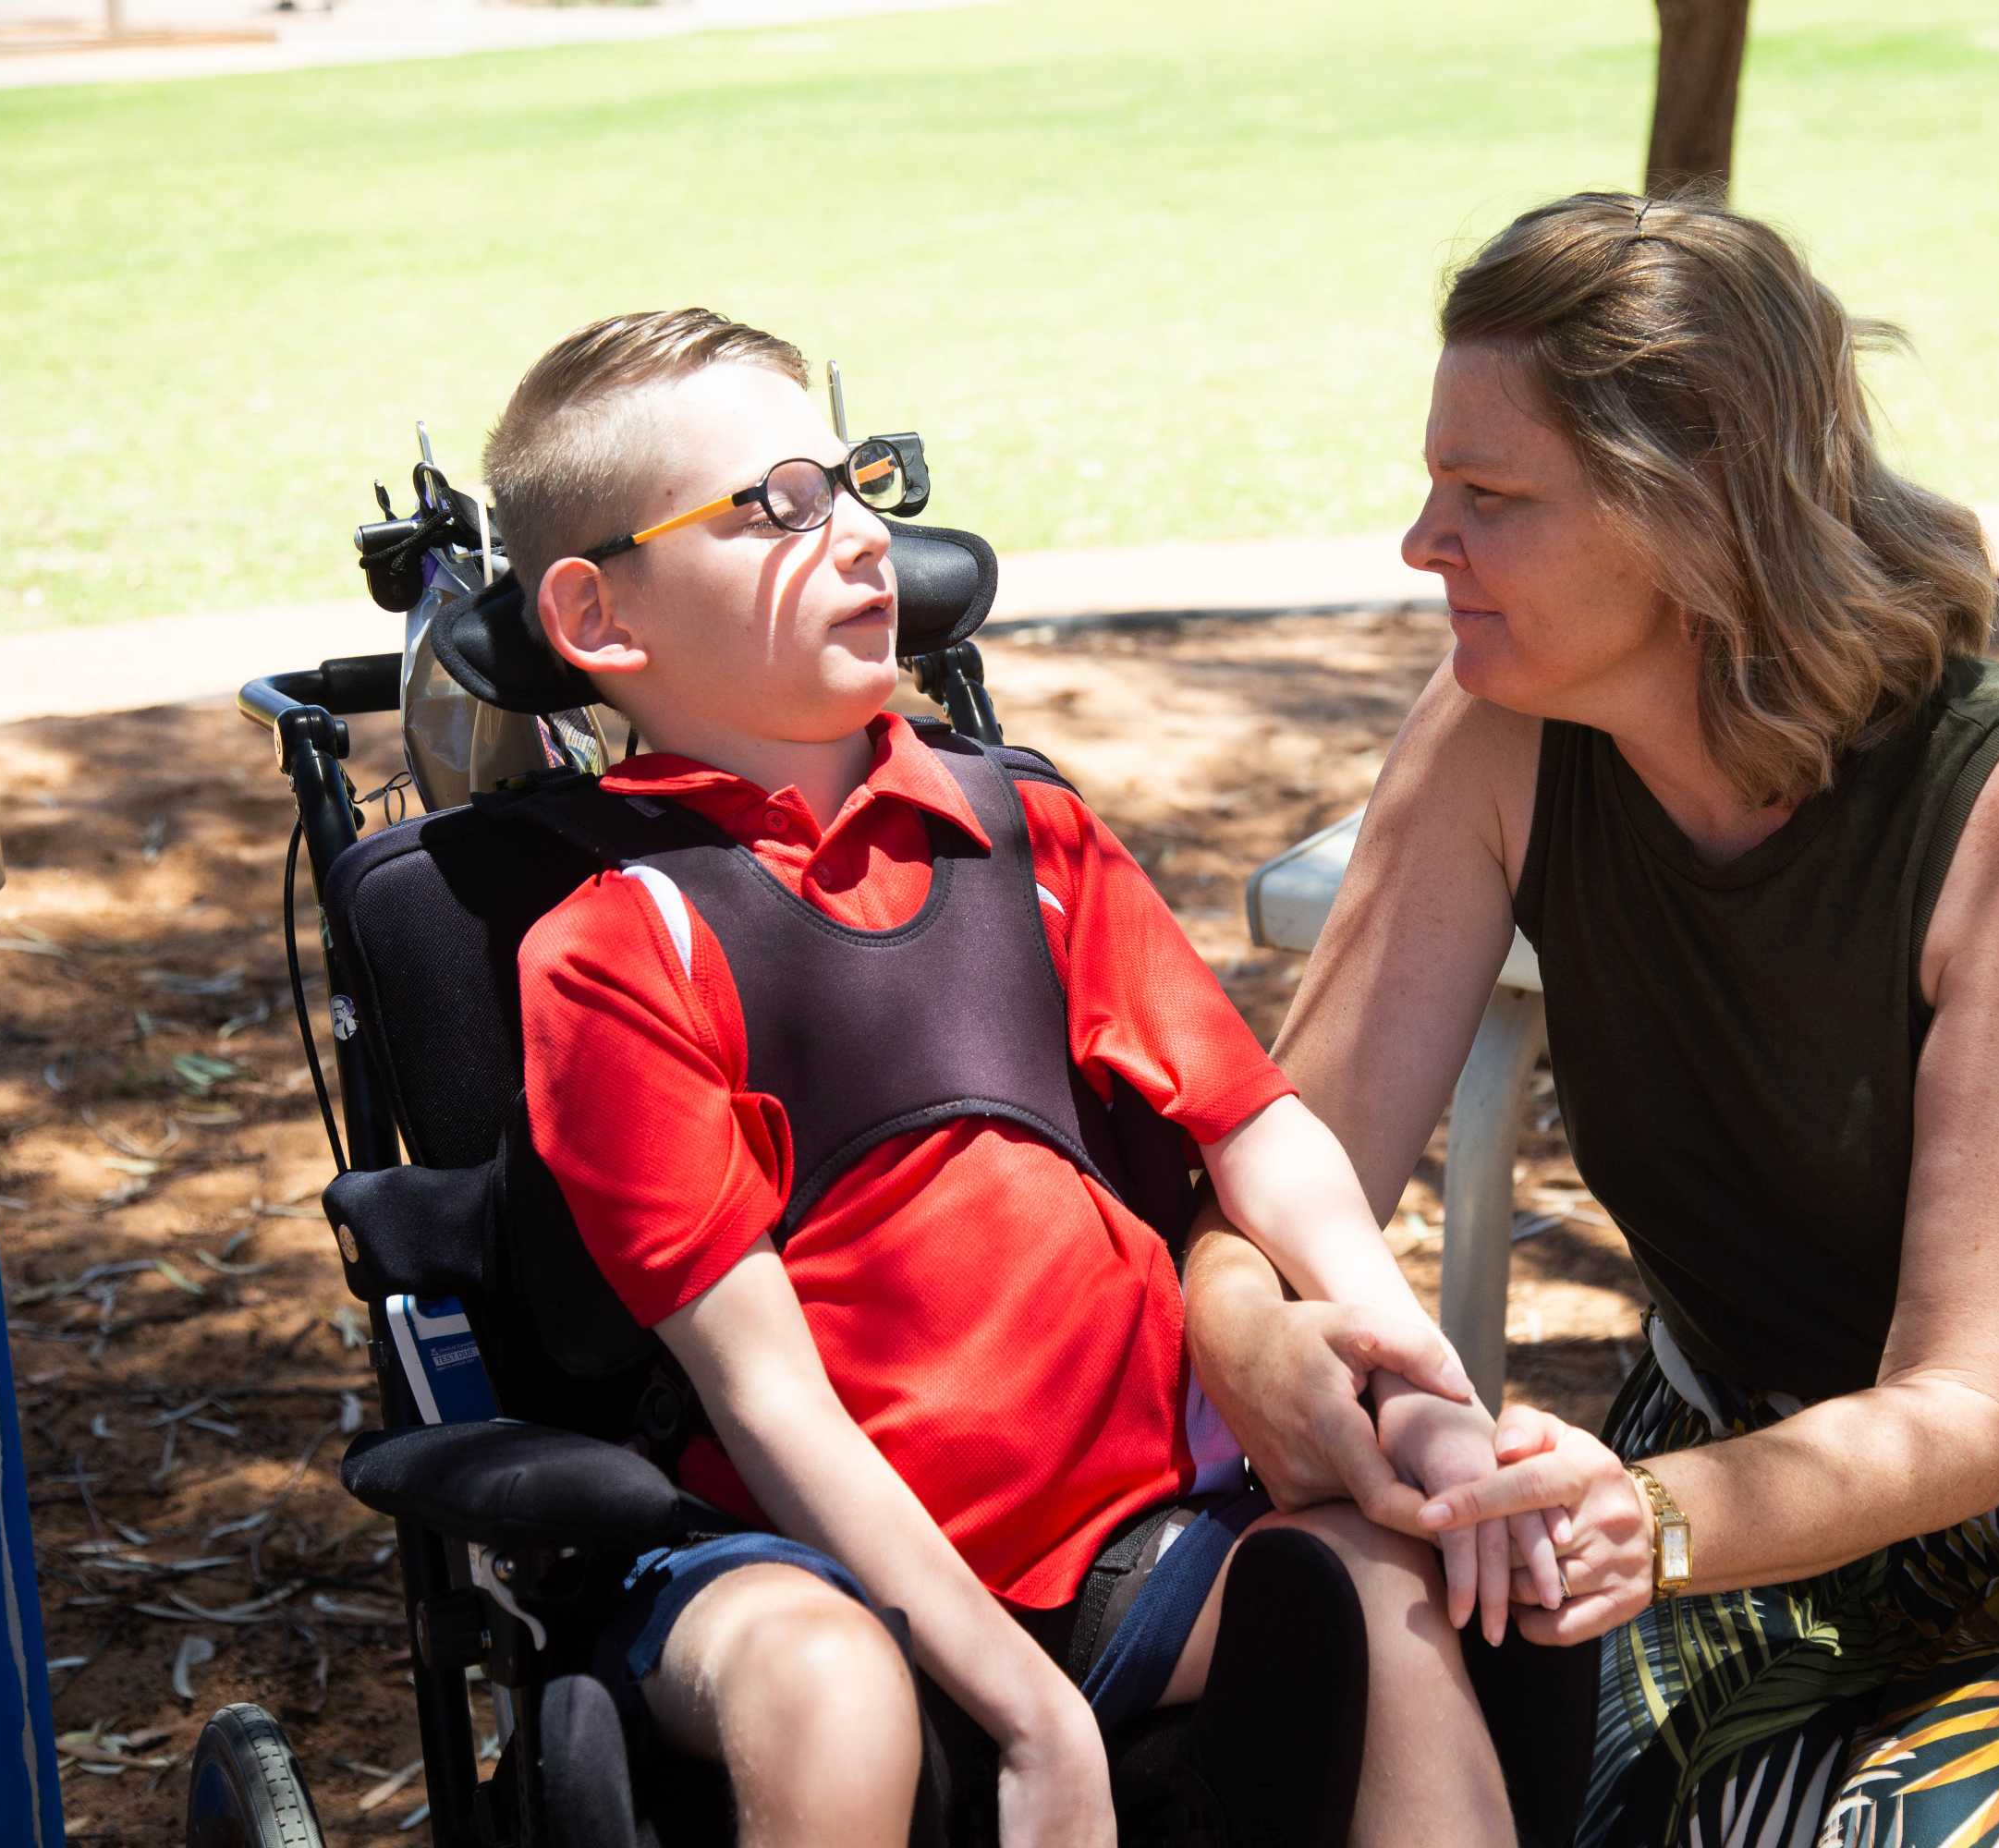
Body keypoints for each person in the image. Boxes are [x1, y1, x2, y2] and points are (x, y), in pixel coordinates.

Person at [1181, 193, 1999, 1847]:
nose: (1426, 543)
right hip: (1711, 1476)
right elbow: (1280, 1174)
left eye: (1489, 497)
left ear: (1690, 518)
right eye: (1436, 483)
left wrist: (1654, 1517)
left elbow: (1969, 1415)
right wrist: (1253, 1335)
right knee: (1363, 1739)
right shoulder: (1502, 729)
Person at [493, 310, 1544, 1848]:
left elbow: (1255, 1130)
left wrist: (1410, 1375)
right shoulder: (614, 948)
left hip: (1130, 1528)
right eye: (777, 506)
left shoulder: (1024, 838)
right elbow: (764, 1395)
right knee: (835, 1700)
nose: (854, 531)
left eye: (855, 480)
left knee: (1387, 1591)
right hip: (802, 1556)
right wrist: (1031, 1712)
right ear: (598, 617)